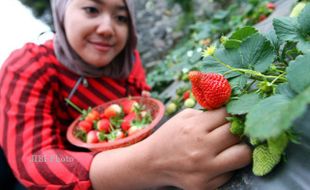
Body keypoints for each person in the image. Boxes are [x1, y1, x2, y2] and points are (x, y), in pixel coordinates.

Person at [0, 0, 251, 189]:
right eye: (91, 9)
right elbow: (34, 161)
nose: (108, 28)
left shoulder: (127, 60)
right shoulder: (28, 65)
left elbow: (140, 108)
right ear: (62, 11)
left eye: (121, 17)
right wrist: (153, 162)